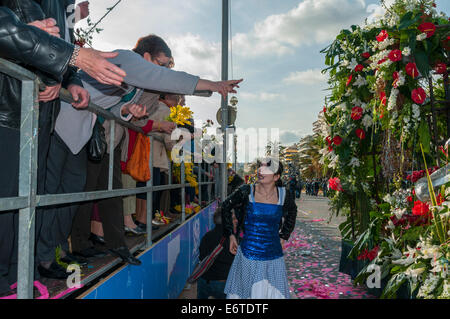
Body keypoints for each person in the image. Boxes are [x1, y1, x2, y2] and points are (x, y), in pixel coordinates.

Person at [0, 4, 126, 295]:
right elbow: (13, 31)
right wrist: (70, 55)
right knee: (7, 200)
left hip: (41, 116)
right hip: (7, 105)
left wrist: (72, 80)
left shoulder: (62, 5)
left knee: (31, 199)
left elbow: (57, 49)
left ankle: (23, 269)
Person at [221, 158, 297, 299]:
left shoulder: (284, 195)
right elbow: (226, 206)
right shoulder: (246, 191)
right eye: (260, 167)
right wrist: (231, 235)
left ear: (276, 177)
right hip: (248, 255)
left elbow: (292, 211)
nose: (261, 171)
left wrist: (284, 235)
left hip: (273, 257)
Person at [197, 209, 238, 299]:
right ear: (227, 221)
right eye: (233, 218)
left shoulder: (206, 236)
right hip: (222, 283)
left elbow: (201, 256)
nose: (236, 221)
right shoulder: (232, 240)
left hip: (204, 281)